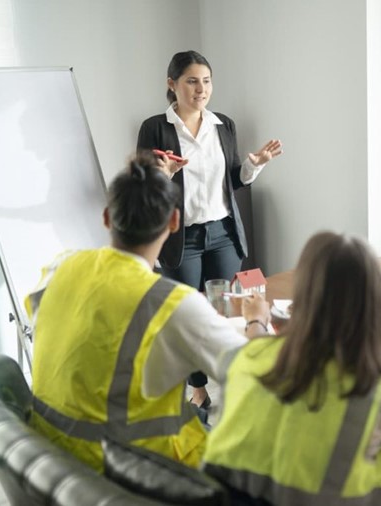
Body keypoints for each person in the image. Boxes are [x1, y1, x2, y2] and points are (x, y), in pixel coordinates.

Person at [25, 154, 272, 472]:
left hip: (57, 459)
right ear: (174, 221)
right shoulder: (172, 303)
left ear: (106, 217)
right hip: (134, 472)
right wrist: (256, 319)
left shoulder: (61, 267)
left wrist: (153, 176)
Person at [201, 232, 381, 506]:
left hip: (226, 499)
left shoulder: (244, 357)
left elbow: (260, 349)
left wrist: (257, 322)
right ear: (375, 304)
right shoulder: (376, 390)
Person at [137, 49, 282, 409]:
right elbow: (143, 185)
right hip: (180, 239)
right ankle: (198, 387)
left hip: (222, 234)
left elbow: (234, 181)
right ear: (172, 85)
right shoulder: (155, 128)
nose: (201, 89)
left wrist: (255, 165)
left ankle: (236, 384)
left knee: (228, 313)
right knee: (188, 318)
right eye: (191, 81)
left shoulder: (224, 125)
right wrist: (163, 175)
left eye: (206, 81)